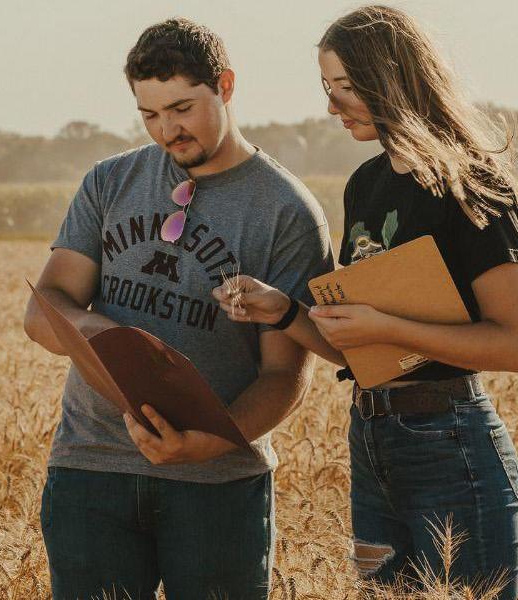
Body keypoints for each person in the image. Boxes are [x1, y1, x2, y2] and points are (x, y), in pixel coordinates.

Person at [214, 5, 518, 598]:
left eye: (345, 87)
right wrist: (283, 312)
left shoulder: (471, 183)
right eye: (327, 88)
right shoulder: (366, 184)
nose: (332, 107)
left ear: (391, 77)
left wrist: (388, 323)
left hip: (451, 443)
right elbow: (356, 348)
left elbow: (513, 345)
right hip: (370, 441)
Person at [21, 17, 334, 600]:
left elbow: (285, 376)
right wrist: (106, 334)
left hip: (218, 484)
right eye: (150, 115)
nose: (168, 130)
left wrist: (211, 445)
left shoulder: (286, 210)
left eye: (183, 108)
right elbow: (44, 311)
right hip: (92, 470)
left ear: (227, 85)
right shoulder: (110, 182)